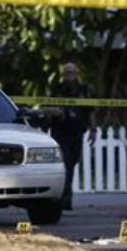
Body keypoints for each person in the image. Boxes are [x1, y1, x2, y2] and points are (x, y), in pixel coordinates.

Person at [49, 62, 97, 210]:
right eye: (66, 73)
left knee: (71, 164)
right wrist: (55, 111)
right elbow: (48, 107)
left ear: (77, 74)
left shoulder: (84, 91)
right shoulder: (57, 90)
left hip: (76, 133)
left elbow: (91, 111)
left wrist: (93, 130)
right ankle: (62, 200)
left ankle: (66, 199)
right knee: (62, 165)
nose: (69, 76)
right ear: (63, 75)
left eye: (72, 73)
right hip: (60, 133)